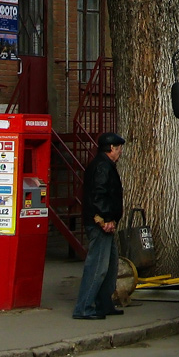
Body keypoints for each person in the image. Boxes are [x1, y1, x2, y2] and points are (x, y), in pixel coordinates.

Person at [73, 132, 125, 319]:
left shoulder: (103, 164)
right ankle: (84, 307)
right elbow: (99, 195)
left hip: (103, 221)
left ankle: (104, 303)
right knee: (98, 266)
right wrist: (106, 219)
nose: (120, 152)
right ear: (111, 148)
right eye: (119, 148)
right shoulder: (103, 167)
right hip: (100, 223)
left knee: (110, 265)